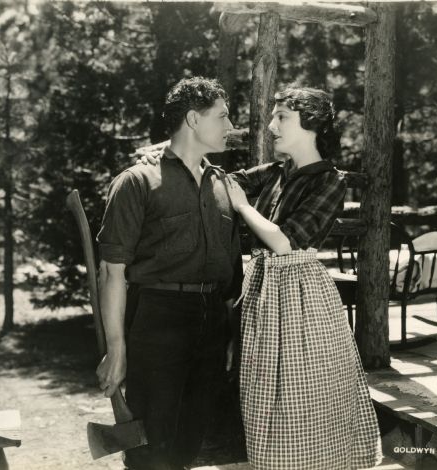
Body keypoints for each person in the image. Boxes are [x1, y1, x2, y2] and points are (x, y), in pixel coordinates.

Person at [224, 87, 382, 469]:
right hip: (264, 290)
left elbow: (285, 242)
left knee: (302, 391)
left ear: (311, 125)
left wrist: (243, 206)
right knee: (265, 390)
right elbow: (226, 182)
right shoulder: (277, 173)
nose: (272, 126)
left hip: (300, 297)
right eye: (274, 117)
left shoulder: (329, 180)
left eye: (283, 118)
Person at [95, 77, 242, 470]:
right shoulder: (137, 181)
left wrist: (229, 330)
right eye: (223, 116)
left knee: (191, 439)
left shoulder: (224, 185)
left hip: (212, 321)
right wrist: (116, 347)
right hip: (159, 316)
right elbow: (111, 271)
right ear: (194, 119)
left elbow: (231, 270)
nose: (231, 126)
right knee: (150, 444)